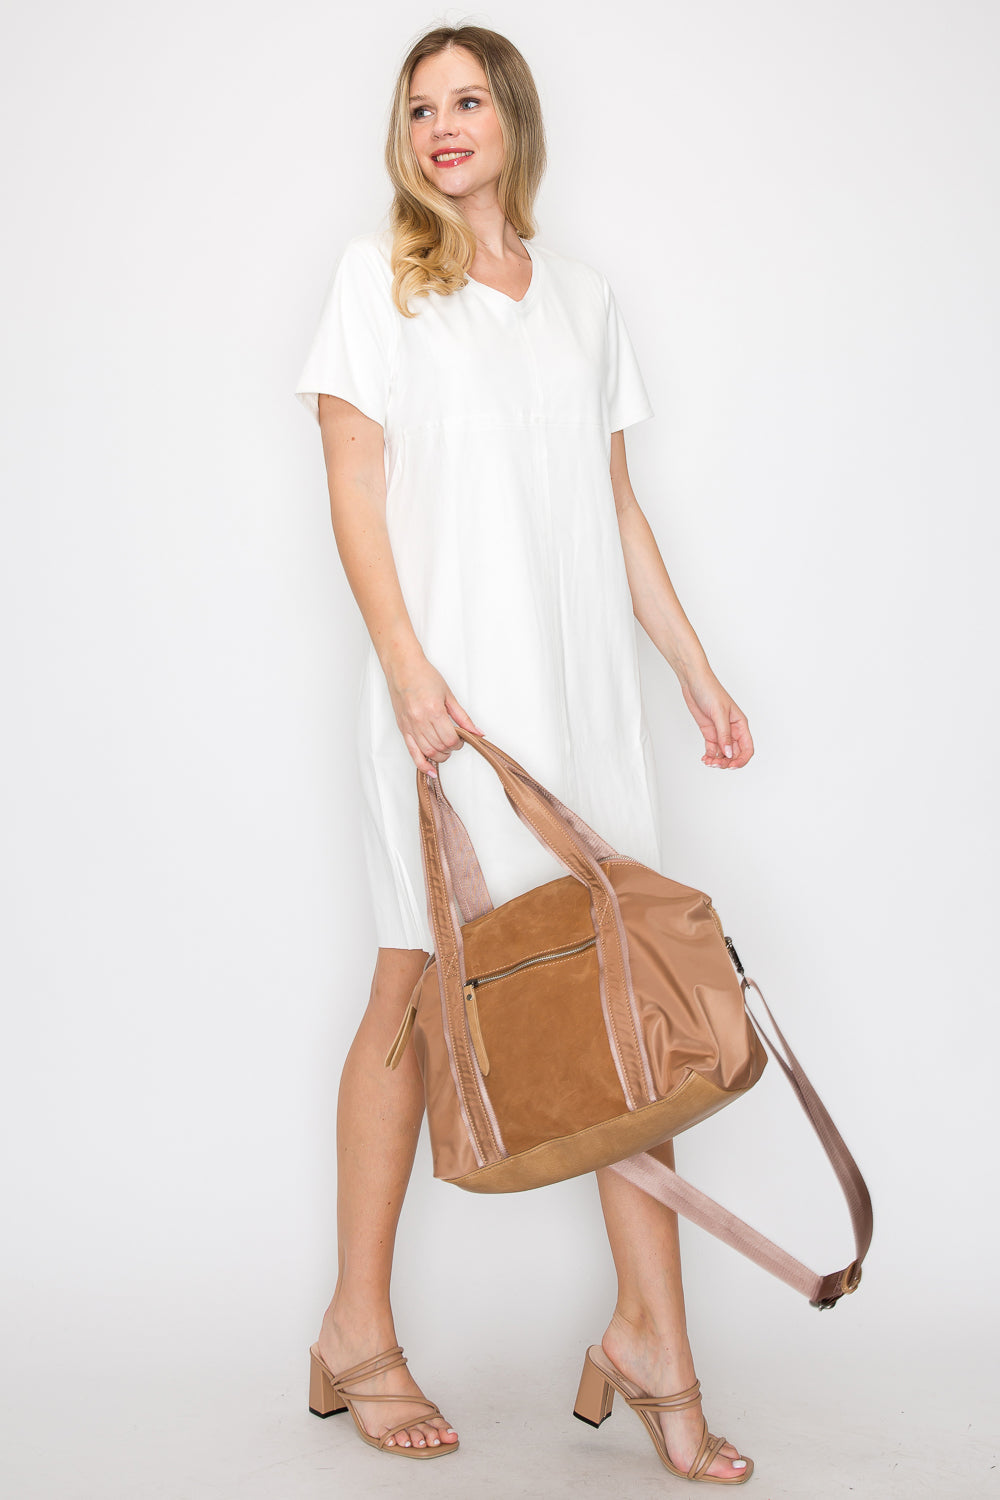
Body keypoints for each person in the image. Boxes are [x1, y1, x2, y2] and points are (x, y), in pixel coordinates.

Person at [294, 23, 755, 1480]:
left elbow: (614, 510)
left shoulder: (586, 300)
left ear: (513, 119)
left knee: (625, 1016)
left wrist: (695, 672)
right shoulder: (377, 284)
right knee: (419, 993)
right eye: (418, 105)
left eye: (467, 99)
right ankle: (357, 1326)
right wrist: (412, 674)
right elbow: (353, 490)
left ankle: (651, 1339)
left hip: (583, 716)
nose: (441, 125)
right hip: (452, 715)